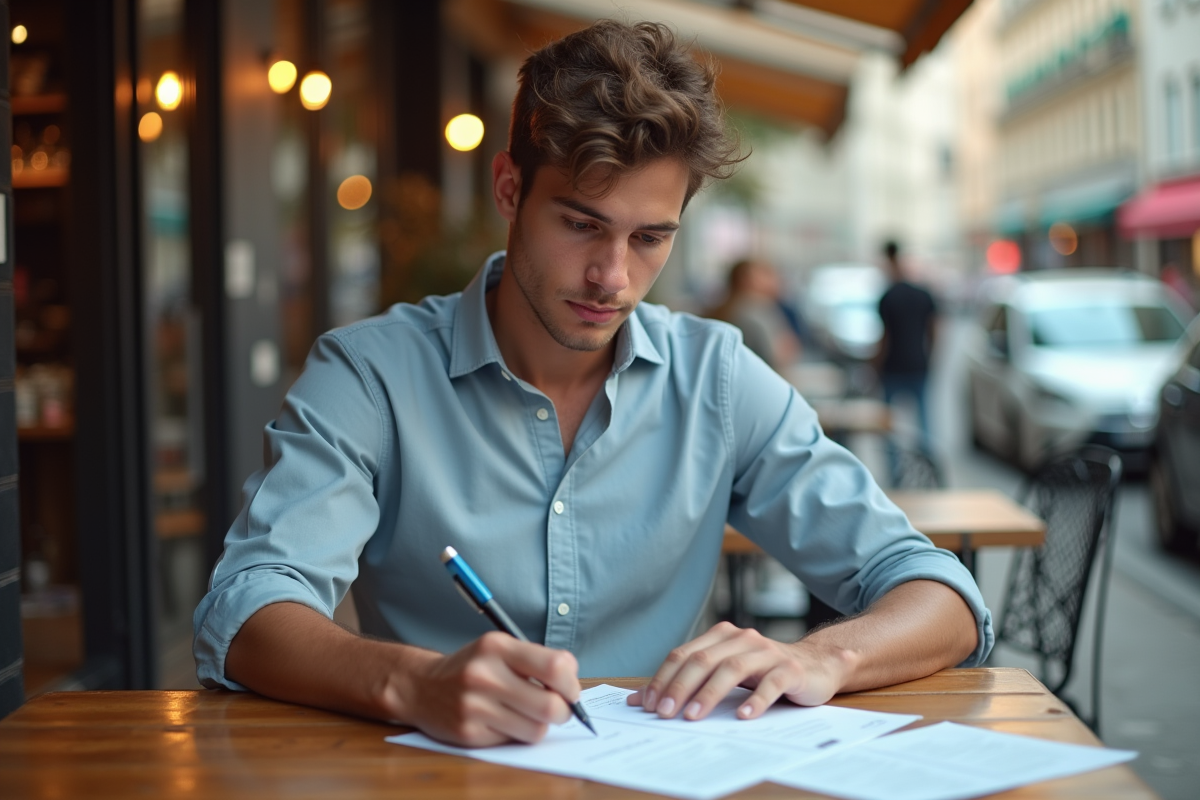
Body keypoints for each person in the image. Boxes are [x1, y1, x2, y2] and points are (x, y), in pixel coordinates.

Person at [194, 20, 991, 749]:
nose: (613, 277)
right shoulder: (371, 375)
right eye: (580, 224)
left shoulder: (717, 379)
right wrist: (413, 682)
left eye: (650, 238)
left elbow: (942, 595)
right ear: (509, 190)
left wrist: (824, 656)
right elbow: (247, 609)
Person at [875, 240, 938, 456]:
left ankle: (894, 473)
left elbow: (885, 338)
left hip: (893, 366)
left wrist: (875, 366)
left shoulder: (888, 297)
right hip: (918, 363)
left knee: (888, 423)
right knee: (924, 422)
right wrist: (930, 357)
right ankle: (929, 466)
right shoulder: (922, 294)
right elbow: (934, 332)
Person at [707, 259, 802, 372]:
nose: (775, 279)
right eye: (766, 273)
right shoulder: (753, 312)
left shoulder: (728, 307)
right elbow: (779, 357)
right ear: (747, 279)